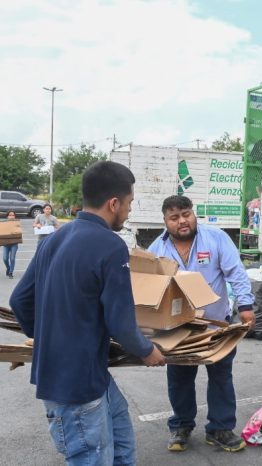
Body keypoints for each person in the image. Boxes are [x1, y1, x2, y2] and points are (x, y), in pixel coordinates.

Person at [10, 161, 166, 465]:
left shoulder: (54, 238)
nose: (130, 210)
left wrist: (47, 339)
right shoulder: (110, 245)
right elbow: (120, 323)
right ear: (113, 203)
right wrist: (148, 351)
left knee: (121, 441)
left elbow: (19, 300)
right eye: (130, 203)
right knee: (92, 458)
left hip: (86, 376)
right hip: (77, 386)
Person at [147, 195, 255, 453]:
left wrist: (246, 307)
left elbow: (236, 273)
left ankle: (220, 429)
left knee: (221, 377)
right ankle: (181, 425)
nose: (182, 221)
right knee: (179, 378)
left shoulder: (216, 238)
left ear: (193, 214)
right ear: (165, 221)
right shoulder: (156, 250)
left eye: (186, 214)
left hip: (216, 326)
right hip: (177, 330)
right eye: (175, 218)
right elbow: (149, 291)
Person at [3, 211, 20, 278]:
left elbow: (19, 233)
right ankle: (8, 268)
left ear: (14, 216)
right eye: (10, 215)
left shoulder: (17, 223)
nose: (11, 216)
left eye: (13, 215)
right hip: (6, 244)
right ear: (7, 216)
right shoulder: (3, 223)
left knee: (12, 258)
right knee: (5, 259)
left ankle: (11, 272)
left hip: (14, 244)